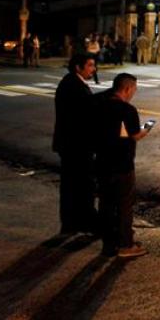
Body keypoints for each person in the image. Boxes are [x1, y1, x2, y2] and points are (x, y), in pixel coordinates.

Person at [94, 73, 151, 258]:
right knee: (125, 204)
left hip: (102, 161)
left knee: (106, 204)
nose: (134, 92)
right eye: (134, 89)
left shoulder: (99, 104)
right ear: (127, 89)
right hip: (122, 164)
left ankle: (108, 245)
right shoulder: (127, 110)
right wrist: (147, 127)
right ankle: (126, 244)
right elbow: (135, 134)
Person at [53, 53, 99, 235]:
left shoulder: (70, 82)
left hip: (69, 144)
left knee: (71, 186)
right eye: (90, 65)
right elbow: (86, 109)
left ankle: (70, 223)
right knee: (83, 186)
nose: (93, 69)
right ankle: (86, 222)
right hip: (77, 145)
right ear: (78, 67)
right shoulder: (74, 85)